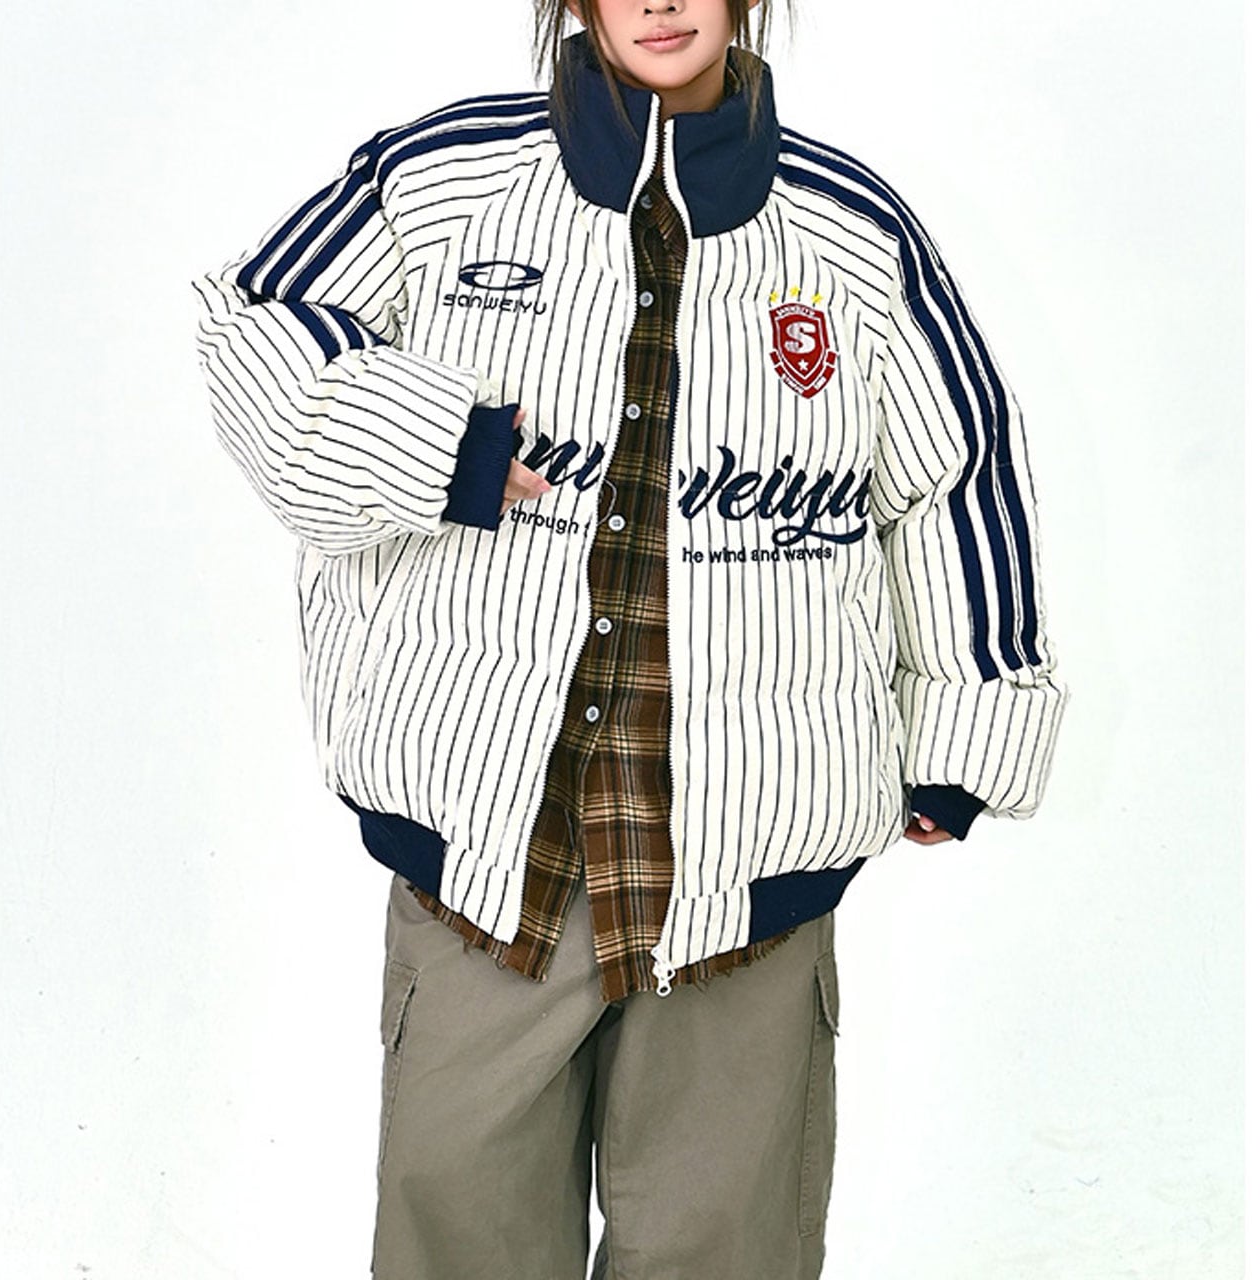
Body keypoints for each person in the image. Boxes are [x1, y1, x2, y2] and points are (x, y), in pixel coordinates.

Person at [193, 1, 1068, 1275]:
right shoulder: (439, 181)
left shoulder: (856, 235)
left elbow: (954, 476)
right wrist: (438, 445)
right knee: (460, 1249)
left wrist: (964, 724)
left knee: (723, 1252)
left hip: (747, 877)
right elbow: (254, 324)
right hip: (485, 865)